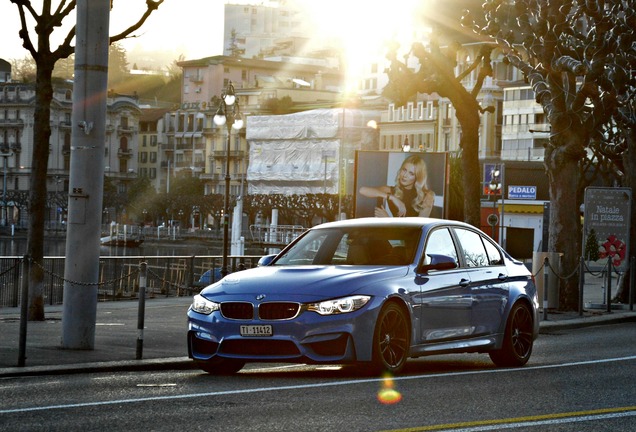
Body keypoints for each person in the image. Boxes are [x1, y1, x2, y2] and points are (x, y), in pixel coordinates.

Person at [359, 154, 435, 217]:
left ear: (417, 177)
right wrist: (392, 198)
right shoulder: (391, 191)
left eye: (411, 173)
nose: (405, 175)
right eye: (404, 170)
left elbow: (418, 231)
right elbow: (362, 190)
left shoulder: (427, 197)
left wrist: (389, 221)